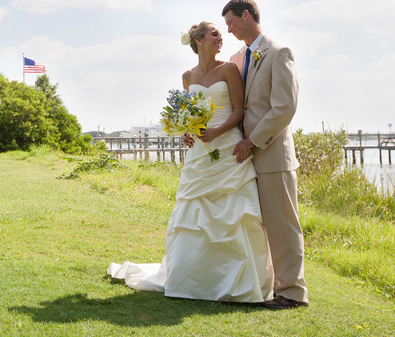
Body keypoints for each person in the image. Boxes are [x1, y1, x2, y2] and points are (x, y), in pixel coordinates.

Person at [108, 21, 274, 303]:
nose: (220, 38)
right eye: (214, 34)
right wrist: (187, 132)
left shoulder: (229, 70)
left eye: (221, 35)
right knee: (194, 210)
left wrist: (217, 132)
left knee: (234, 211)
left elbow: (238, 110)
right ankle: (193, 279)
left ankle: (239, 280)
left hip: (227, 146)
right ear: (198, 41)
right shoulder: (187, 76)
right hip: (200, 150)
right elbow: (188, 110)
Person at [221, 0, 309, 310]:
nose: (228, 30)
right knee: (254, 224)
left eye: (231, 22)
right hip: (241, 158)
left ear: (247, 15)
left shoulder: (279, 52)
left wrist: (253, 140)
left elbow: (285, 106)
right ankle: (265, 285)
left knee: (283, 224)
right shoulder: (235, 57)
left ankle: (293, 293)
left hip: (271, 154)